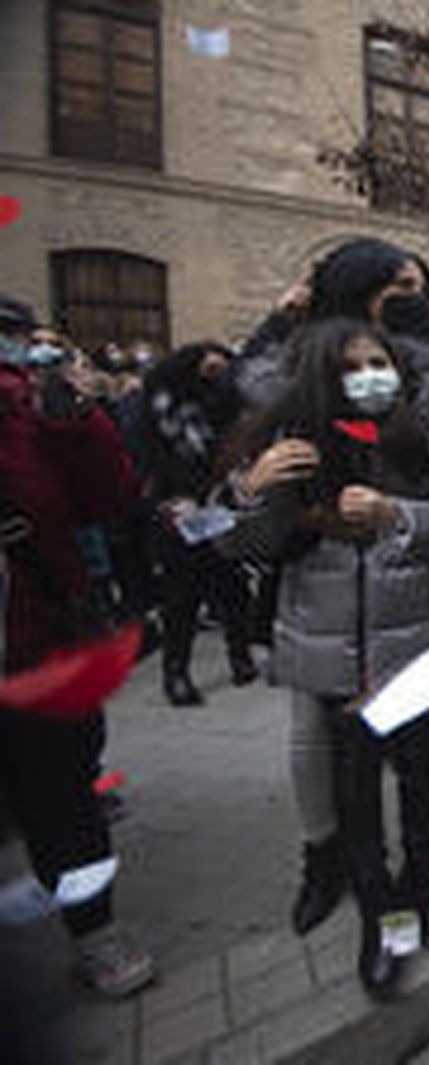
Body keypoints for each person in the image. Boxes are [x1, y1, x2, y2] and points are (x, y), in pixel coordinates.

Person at [218, 318, 429, 998]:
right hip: (333, 661)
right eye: (352, 366)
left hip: (417, 657)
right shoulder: (288, 449)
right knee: (358, 808)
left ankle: (426, 897)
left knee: (421, 801)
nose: (371, 375)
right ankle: (384, 923)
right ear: (319, 377)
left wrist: (398, 514)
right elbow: (231, 544)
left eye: (381, 362)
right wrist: (248, 489)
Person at [0, 294, 154, 997]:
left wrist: (76, 423)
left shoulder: (31, 420)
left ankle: (95, 929)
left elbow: (108, 497)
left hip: (35, 643)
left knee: (61, 795)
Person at [139, 341, 257, 706]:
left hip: (219, 505)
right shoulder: (161, 406)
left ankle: (241, 658)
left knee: (232, 585)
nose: (215, 374)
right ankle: (176, 674)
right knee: (181, 597)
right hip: (177, 507)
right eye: (208, 368)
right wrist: (172, 496)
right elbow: (149, 453)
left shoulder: (227, 403)